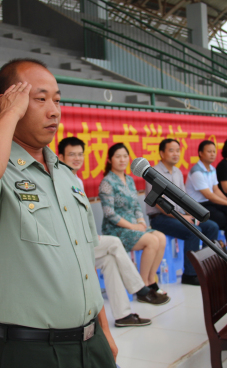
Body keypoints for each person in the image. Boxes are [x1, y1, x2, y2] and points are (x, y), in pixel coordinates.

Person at [0, 58, 117, 367]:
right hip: (33, 352)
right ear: (8, 102)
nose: (54, 111)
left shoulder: (67, 176)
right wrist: (9, 115)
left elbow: (83, 262)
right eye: (40, 99)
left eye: (57, 100)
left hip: (92, 343)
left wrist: (103, 330)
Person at [57, 137, 167, 328]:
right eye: (71, 154)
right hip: (71, 243)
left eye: (80, 154)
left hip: (86, 241)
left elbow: (84, 215)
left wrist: (140, 221)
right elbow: (102, 214)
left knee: (110, 260)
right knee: (115, 243)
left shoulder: (77, 181)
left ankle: (123, 315)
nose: (77, 158)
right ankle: (140, 288)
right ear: (60, 157)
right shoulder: (59, 181)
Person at [144, 139, 219, 286]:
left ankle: (206, 267)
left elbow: (184, 200)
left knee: (212, 227)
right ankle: (190, 275)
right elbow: (161, 205)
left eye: (178, 150)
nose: (176, 154)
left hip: (177, 216)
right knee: (194, 231)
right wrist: (184, 218)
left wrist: (193, 215)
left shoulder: (177, 172)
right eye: (171, 150)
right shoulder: (153, 174)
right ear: (161, 153)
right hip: (160, 218)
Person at [99, 143, 167, 295]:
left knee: (161, 238)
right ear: (110, 160)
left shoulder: (129, 180)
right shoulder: (107, 182)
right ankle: (142, 286)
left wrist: (141, 222)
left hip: (134, 226)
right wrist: (133, 226)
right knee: (152, 241)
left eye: (125, 156)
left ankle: (151, 280)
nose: (122, 160)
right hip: (116, 230)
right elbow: (110, 213)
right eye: (118, 156)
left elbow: (136, 205)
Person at [185, 140, 227, 261]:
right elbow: (208, 194)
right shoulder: (196, 171)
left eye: (214, 151)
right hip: (198, 206)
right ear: (200, 153)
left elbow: (216, 189)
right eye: (209, 151)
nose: (212, 154)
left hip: (209, 203)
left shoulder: (212, 169)